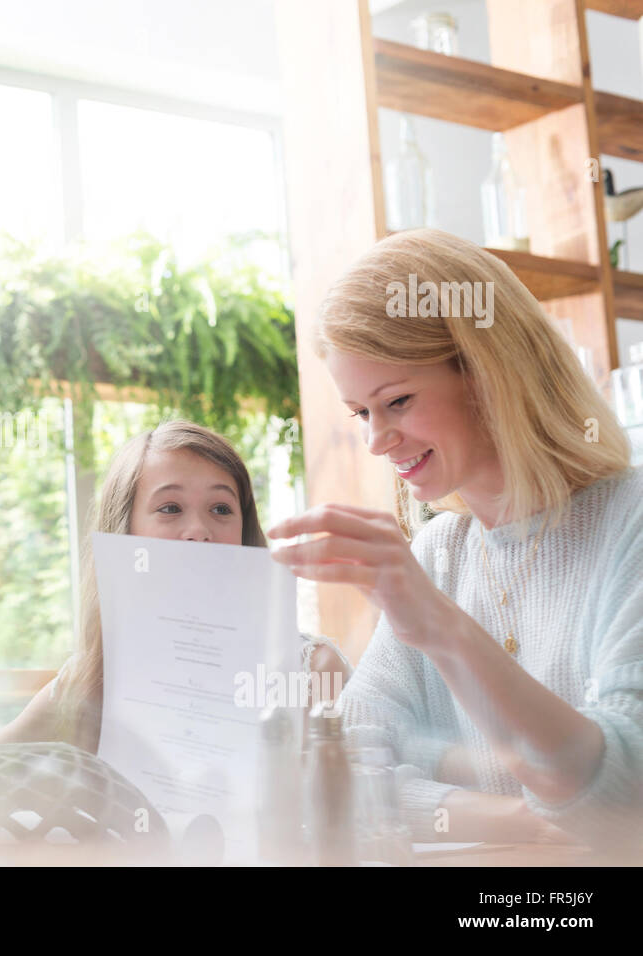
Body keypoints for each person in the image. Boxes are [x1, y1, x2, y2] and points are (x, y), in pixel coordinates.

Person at [268, 228, 642, 848]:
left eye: (397, 401)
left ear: (488, 375)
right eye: (361, 413)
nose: (375, 440)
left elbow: (620, 795)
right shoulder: (440, 554)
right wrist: (520, 823)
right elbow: (348, 775)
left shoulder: (629, 521)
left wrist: (440, 627)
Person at [0, 419, 349, 753]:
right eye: (170, 508)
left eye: (221, 509)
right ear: (126, 532)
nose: (199, 531)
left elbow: (366, 805)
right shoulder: (86, 681)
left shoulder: (315, 671)